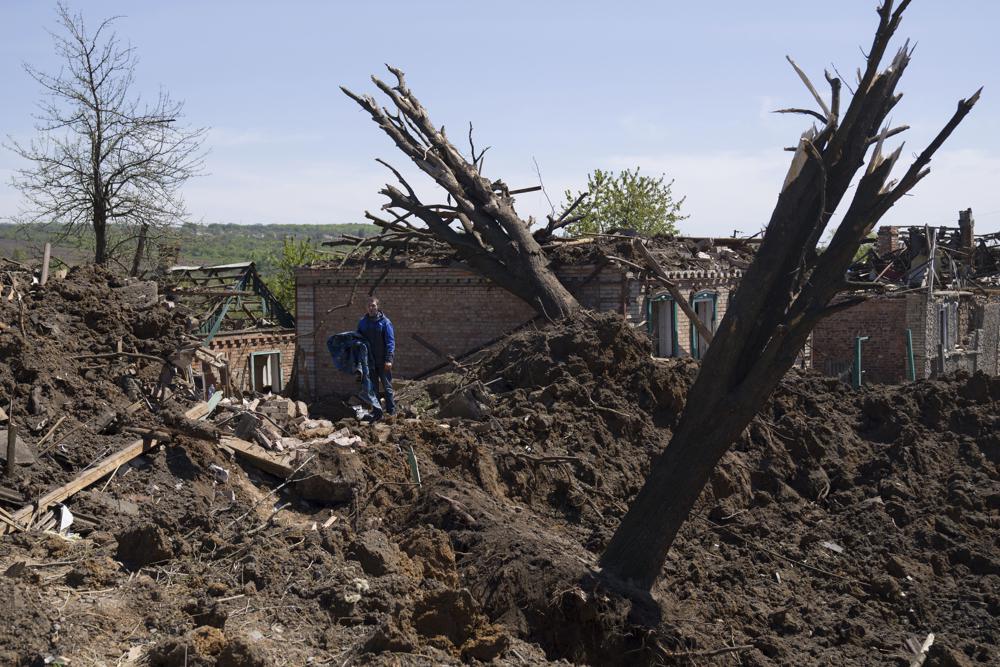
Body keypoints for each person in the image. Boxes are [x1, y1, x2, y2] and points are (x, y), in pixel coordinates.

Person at [357, 296, 396, 419]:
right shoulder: (362, 322)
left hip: (383, 361)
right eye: (369, 306)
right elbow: (359, 339)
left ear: (378, 306)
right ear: (366, 307)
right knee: (373, 388)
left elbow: (390, 342)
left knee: (387, 386)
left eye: (373, 305)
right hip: (370, 362)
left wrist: (389, 359)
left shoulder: (385, 322)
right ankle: (377, 413)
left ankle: (391, 412)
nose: (371, 308)